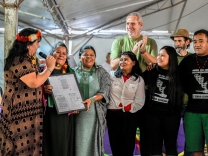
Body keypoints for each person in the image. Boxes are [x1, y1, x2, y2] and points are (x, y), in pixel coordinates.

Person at [0, 28, 56, 155]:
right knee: (18, 147)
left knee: (31, 144)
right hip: (18, 113)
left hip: (30, 111)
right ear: (28, 45)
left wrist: (47, 62)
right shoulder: (19, 60)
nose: (39, 45)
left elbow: (36, 66)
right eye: (37, 43)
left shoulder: (29, 58)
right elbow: (34, 82)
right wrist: (50, 69)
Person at [143, 46, 183, 155]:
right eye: (159, 55)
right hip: (152, 116)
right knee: (155, 147)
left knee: (170, 146)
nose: (159, 57)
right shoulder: (151, 71)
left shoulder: (179, 74)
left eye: (163, 55)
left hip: (171, 116)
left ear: (171, 58)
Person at [73, 45, 110, 156]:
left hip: (94, 116)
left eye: (92, 55)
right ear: (80, 57)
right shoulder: (72, 72)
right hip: (76, 116)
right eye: (85, 54)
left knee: (93, 146)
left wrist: (92, 99)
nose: (89, 57)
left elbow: (105, 90)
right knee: (77, 144)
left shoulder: (101, 72)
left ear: (95, 57)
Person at [106, 51, 145, 156]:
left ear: (133, 63)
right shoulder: (111, 76)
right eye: (121, 59)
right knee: (115, 145)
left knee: (128, 146)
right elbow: (105, 94)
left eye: (126, 59)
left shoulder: (138, 79)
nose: (123, 62)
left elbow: (140, 101)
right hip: (113, 115)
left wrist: (127, 108)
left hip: (130, 116)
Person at [42, 41, 74, 156]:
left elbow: (74, 94)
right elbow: (34, 89)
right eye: (58, 52)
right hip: (48, 113)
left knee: (62, 145)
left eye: (64, 53)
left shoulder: (70, 71)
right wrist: (44, 90)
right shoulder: (43, 70)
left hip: (65, 115)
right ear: (52, 54)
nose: (61, 55)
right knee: (48, 144)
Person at [179, 29, 208, 156]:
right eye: (195, 41)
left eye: (201, 41)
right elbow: (179, 82)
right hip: (192, 112)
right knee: (196, 150)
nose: (197, 44)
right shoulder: (187, 61)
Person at [170, 28, 193, 156]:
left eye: (179, 41)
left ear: (187, 42)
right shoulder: (169, 58)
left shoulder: (193, 59)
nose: (177, 43)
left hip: (190, 103)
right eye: (175, 41)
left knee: (190, 136)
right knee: (171, 134)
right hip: (173, 103)